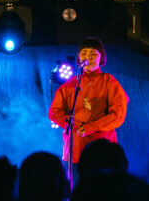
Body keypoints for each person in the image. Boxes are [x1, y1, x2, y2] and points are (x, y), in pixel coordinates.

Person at [47, 37, 128, 186]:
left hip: (103, 151)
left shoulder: (109, 82)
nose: (88, 57)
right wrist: (74, 125)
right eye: (84, 53)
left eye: (93, 53)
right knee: (77, 195)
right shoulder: (70, 85)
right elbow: (53, 112)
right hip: (75, 151)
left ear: (101, 57)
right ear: (78, 58)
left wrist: (91, 127)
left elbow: (118, 114)